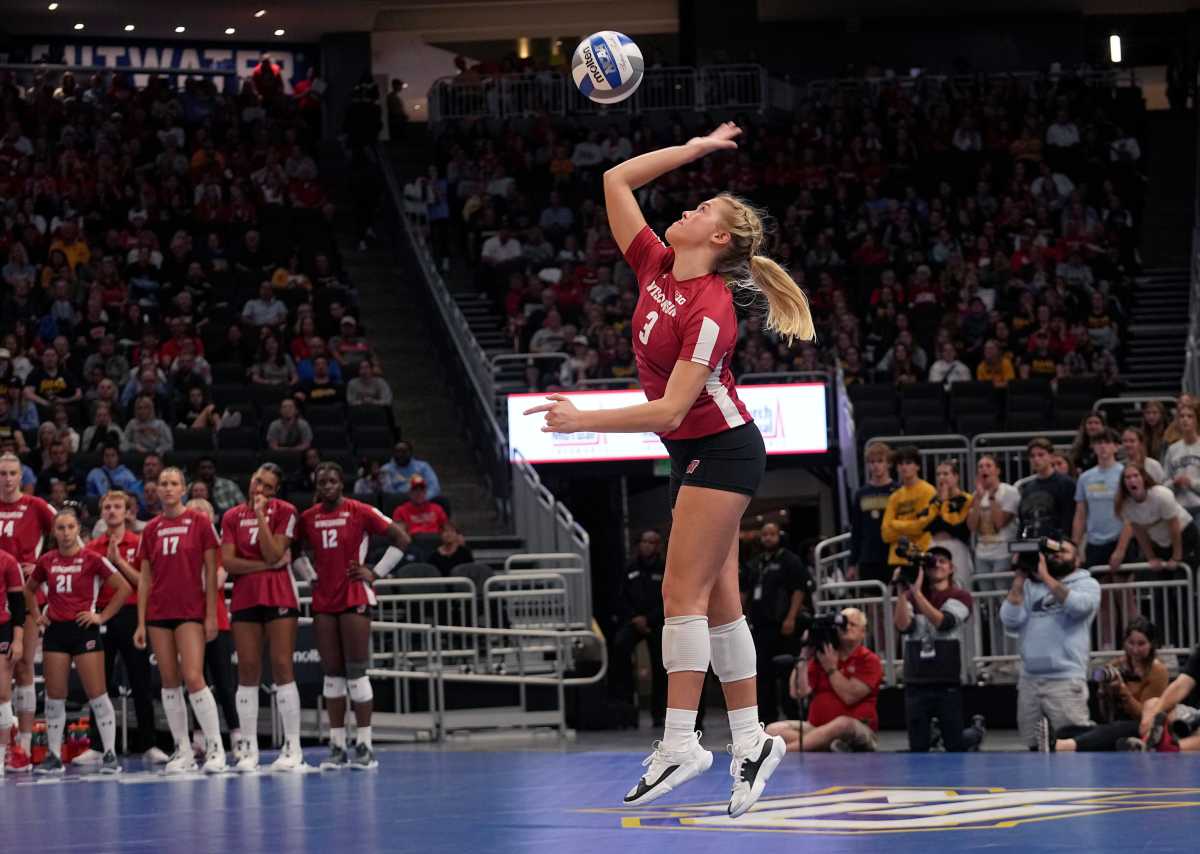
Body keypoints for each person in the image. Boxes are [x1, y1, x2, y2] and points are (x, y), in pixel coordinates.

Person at [524, 123, 815, 816]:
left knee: (678, 595)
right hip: (696, 450)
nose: (686, 208)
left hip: (722, 449)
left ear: (717, 241)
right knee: (719, 602)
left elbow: (672, 409)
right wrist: (695, 150)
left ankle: (681, 741)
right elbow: (615, 181)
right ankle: (751, 739)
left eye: (703, 209)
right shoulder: (656, 264)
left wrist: (582, 421)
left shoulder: (712, 308)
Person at [295, 462, 410, 769]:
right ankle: (336, 746)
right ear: (317, 486)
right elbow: (293, 551)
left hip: (353, 595)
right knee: (332, 674)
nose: (328, 485)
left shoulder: (361, 510)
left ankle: (365, 745)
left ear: (341, 484)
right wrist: (310, 576)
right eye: (322, 482)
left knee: (356, 671)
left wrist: (374, 572)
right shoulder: (308, 517)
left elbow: (402, 539)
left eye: (333, 480)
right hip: (323, 600)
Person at [132, 467, 227, 774]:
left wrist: (211, 615)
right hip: (159, 613)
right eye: (163, 484)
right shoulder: (151, 529)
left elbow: (212, 571)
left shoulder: (199, 522)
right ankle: (182, 749)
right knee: (169, 682)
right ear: (157, 491)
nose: (168, 488)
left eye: (174, 483)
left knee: (194, 677)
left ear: (184, 489)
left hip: (190, 611)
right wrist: (141, 622)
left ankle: (215, 748)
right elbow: (145, 579)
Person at [24, 506, 131, 774]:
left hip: (84, 630)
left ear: (79, 530)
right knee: (54, 696)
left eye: (70, 527)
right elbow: (28, 591)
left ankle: (109, 753)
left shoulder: (92, 558)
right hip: (56, 633)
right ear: (54, 532)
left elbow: (124, 588)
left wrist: (101, 617)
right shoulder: (47, 560)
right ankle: (53, 755)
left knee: (98, 694)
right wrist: (38, 615)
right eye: (60, 528)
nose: (65, 533)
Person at [220, 464, 305, 772]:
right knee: (247, 669)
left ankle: (293, 746)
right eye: (257, 481)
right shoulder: (230, 516)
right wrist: (264, 567)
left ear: (276, 491)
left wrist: (259, 516)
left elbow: (273, 552)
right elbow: (228, 562)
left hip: (280, 594)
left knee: (282, 665)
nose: (260, 490)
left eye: (268, 487)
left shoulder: (286, 511)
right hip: (245, 596)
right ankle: (249, 749)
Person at [83, 491, 161, 763]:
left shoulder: (140, 543)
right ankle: (97, 745)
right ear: (102, 513)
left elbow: (145, 583)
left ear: (128, 512)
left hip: (130, 614)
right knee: (98, 681)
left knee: (140, 680)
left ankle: (148, 744)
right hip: (100, 615)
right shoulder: (92, 546)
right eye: (108, 507)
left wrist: (118, 562)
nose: (113, 511)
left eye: (118, 507)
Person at [999, 540, 1101, 750]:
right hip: (1029, 681)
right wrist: (1019, 579)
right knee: (1033, 745)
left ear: (1078, 558)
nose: (1057, 555)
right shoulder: (1028, 587)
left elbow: (1079, 607)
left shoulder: (1087, 584)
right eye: (1052, 552)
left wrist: (1045, 576)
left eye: (1063, 551)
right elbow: (1010, 620)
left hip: (1065, 680)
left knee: (1073, 744)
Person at [0, 452, 56, 772]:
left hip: (25, 596)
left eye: (12, 474)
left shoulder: (36, 506)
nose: (7, 479)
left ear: (21, 477)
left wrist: (40, 564)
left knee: (22, 668)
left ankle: (20, 747)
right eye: (2, 473)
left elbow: (68, 531)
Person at [764, 608, 883, 752]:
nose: (847, 628)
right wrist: (803, 657)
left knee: (843, 724)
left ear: (863, 632)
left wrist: (831, 669)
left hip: (858, 728)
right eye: (843, 625)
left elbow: (850, 696)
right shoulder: (823, 656)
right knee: (772, 729)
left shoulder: (869, 660)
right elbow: (798, 692)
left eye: (853, 624)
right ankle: (826, 744)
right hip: (817, 726)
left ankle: (785, 751)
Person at [892, 547, 975, 751]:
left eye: (943, 561)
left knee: (954, 745)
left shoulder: (960, 596)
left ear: (951, 568)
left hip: (947, 681)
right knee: (917, 746)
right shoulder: (911, 597)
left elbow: (943, 622)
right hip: (916, 680)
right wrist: (902, 592)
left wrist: (917, 593)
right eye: (932, 562)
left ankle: (975, 734)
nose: (937, 565)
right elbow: (903, 626)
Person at [1052, 618, 1169, 751]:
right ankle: (1057, 740)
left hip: (1142, 727)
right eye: (1131, 643)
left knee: (1116, 729)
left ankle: (1065, 746)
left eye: (1141, 644)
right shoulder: (1117, 664)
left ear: (1152, 644)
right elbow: (1104, 715)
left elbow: (1144, 716)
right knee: (1068, 731)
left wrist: (1123, 691)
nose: (1135, 649)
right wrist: (1104, 691)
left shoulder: (1158, 671)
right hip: (1115, 723)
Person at [740, 523, 813, 723]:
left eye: (772, 534)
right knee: (762, 674)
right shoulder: (755, 563)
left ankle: (793, 716)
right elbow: (744, 592)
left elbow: (799, 590)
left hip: (783, 626)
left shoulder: (790, 560)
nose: (768, 538)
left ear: (779, 536)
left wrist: (791, 617)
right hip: (760, 626)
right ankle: (766, 719)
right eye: (764, 534)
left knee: (786, 671)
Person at [186, 498, 239, 764]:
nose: (197, 517)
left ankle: (237, 738)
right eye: (193, 513)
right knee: (196, 682)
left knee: (224, 683)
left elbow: (213, 582)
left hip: (217, 621)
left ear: (212, 517)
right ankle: (199, 740)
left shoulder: (220, 549)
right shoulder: (184, 548)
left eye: (202, 513)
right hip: (187, 623)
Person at [610, 530, 667, 726]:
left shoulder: (665, 568)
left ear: (658, 545)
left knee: (661, 666)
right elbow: (621, 597)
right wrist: (635, 618)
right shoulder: (630, 567)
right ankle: (626, 708)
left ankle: (658, 714)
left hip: (656, 622)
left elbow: (668, 599)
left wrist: (649, 619)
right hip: (633, 620)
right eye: (644, 542)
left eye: (652, 542)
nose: (647, 546)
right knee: (619, 645)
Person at [1109, 463, 1200, 571]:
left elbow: (1174, 525)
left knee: (1184, 573)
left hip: (1184, 534)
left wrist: (1176, 557)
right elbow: (1139, 532)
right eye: (1128, 477)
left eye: (1136, 475)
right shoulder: (1125, 505)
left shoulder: (1161, 494)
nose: (1132, 480)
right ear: (1123, 482)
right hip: (1161, 541)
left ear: (1143, 478)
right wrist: (1151, 557)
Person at [1131, 644, 1200, 752]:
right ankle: (1149, 742)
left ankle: (1168, 748)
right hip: (1195, 717)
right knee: (1152, 704)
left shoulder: (1156, 669)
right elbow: (1181, 685)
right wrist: (1153, 716)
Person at [1072, 429, 1124, 569]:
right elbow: (1080, 514)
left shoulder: (1124, 474)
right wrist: (1074, 546)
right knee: (1099, 588)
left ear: (1116, 446)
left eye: (1107, 442)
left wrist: (1121, 549)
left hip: (1119, 539)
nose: (1102, 447)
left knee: (1123, 588)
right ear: (1092, 447)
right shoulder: (1085, 478)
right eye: (1098, 443)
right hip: (1094, 541)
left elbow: (1131, 513)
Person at [880, 445, 938, 570]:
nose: (904, 467)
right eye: (900, 464)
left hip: (920, 555)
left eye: (908, 463)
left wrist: (896, 524)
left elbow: (922, 526)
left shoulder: (928, 491)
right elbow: (885, 533)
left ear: (917, 466)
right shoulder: (895, 496)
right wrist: (911, 526)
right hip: (896, 558)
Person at [846, 442, 896, 585]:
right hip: (868, 556)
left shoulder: (898, 491)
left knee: (896, 600)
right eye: (872, 462)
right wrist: (852, 563)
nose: (876, 466)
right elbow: (856, 530)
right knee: (871, 602)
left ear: (888, 464)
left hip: (892, 555)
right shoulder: (861, 494)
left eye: (880, 461)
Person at [967, 454, 1020, 582]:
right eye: (980, 467)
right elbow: (972, 526)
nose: (984, 469)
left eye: (988, 466)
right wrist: (979, 499)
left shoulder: (1009, 492)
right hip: (982, 554)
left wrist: (991, 497)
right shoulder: (976, 495)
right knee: (986, 597)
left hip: (1003, 553)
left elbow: (999, 523)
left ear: (997, 470)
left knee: (1001, 595)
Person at [0, 547, 26, 773]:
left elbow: (18, 605)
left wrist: (18, 640)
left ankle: (3, 756)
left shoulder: (7, 561)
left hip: (2, 629)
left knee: (2, 693)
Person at [1019, 437, 1076, 540]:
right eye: (1032, 456)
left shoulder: (1066, 483)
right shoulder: (1028, 488)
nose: (1036, 459)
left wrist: (1067, 544)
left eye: (1041, 455)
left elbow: (1069, 518)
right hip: (1031, 545)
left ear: (1051, 456)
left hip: (1058, 544)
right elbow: (1023, 520)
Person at [927, 459, 974, 580]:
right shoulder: (933, 500)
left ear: (956, 476)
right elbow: (929, 524)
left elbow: (956, 525)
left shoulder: (966, 499)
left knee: (960, 582)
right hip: (935, 546)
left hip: (957, 546)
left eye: (946, 474)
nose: (941, 477)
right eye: (938, 474)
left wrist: (944, 502)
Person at [1163, 401, 1200, 523]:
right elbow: (1164, 484)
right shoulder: (1172, 449)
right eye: (1182, 416)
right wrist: (1174, 483)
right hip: (1179, 508)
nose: (1185, 420)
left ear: (1196, 420)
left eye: (1190, 416)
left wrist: (1191, 483)